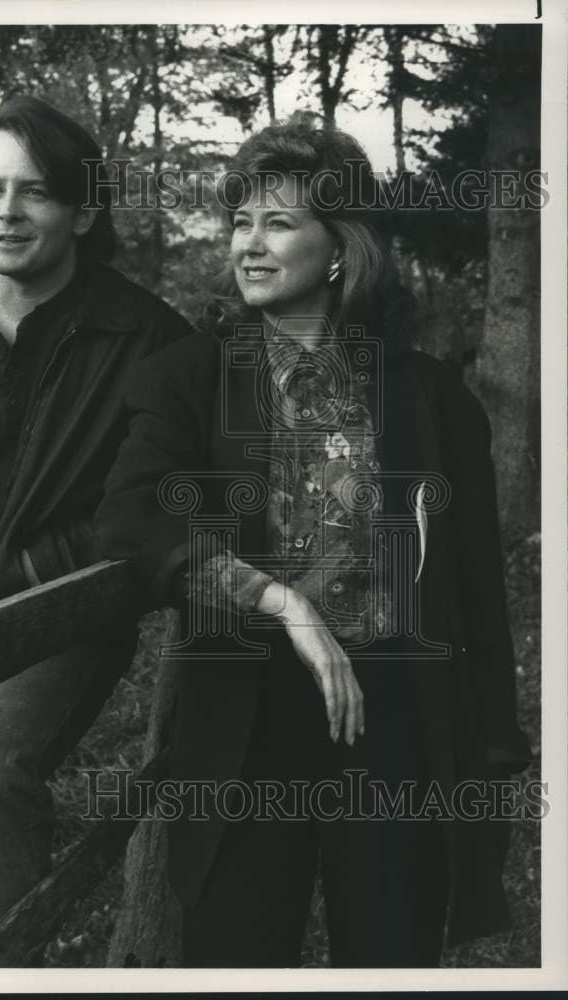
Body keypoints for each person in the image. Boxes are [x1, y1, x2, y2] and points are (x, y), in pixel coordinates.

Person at [94, 121, 532, 967]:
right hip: (246, 729)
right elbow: (131, 515)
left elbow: (477, 586)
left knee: (392, 959)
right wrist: (278, 600)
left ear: (340, 250)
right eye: (240, 223)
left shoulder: (432, 398)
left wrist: (495, 747)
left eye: (279, 223)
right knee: (236, 961)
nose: (248, 245)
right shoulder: (191, 376)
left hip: (397, 725)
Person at [0, 94, 192, 965]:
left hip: (65, 618)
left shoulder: (151, 342)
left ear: (83, 212)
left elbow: (164, 500)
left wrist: (38, 571)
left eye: (36, 191)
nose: (6, 212)